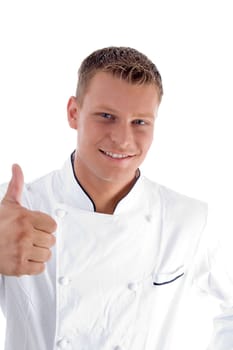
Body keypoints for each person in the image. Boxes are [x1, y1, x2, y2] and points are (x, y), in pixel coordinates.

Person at [0, 46, 232, 350]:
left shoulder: (188, 220)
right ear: (74, 113)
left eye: (140, 122)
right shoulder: (15, 213)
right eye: (106, 116)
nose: (123, 139)